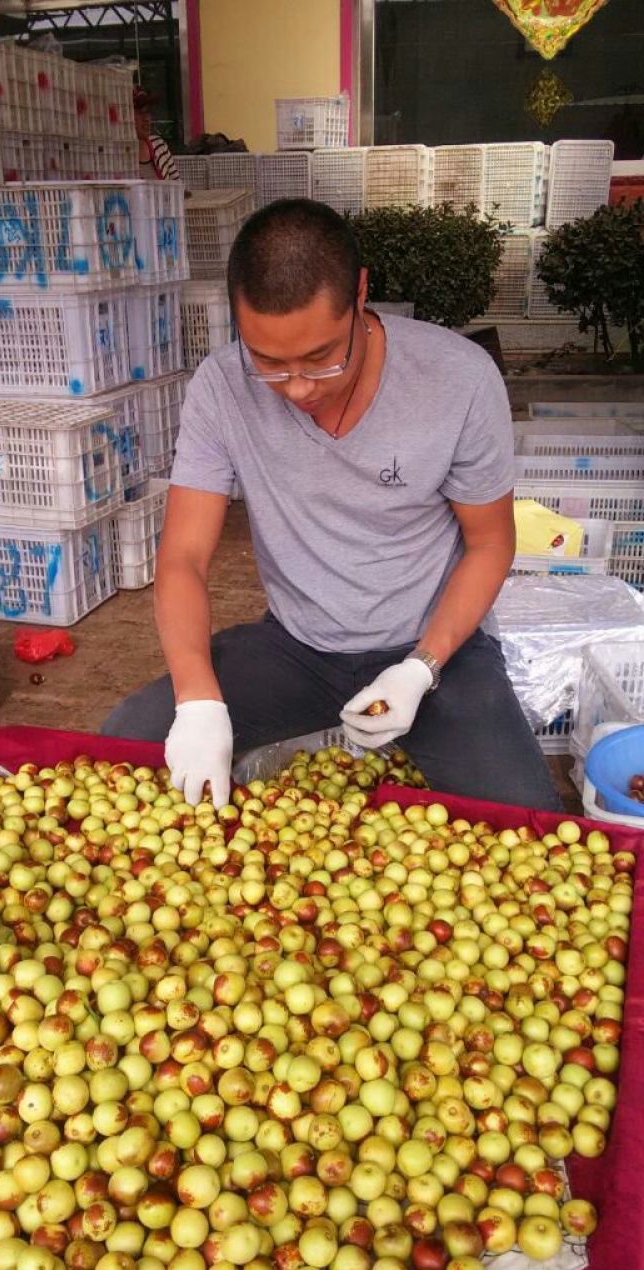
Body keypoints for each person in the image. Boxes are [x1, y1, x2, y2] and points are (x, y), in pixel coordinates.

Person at [101, 198, 561, 814]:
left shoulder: (459, 380)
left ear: (361, 293)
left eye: (321, 358)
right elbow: (182, 556)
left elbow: (490, 544)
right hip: (296, 648)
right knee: (121, 743)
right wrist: (198, 701)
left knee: (529, 823)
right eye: (267, 362)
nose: (296, 389)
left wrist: (420, 668)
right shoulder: (220, 386)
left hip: (432, 650)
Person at [134, 85, 179, 181]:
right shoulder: (119, 156)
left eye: (148, 112)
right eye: (141, 113)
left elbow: (177, 186)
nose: (147, 119)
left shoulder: (159, 145)